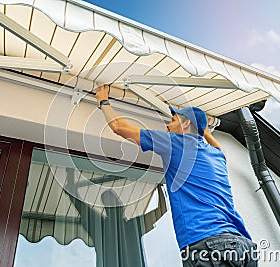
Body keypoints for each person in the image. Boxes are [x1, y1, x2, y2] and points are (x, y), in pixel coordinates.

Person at [95, 85, 258, 266]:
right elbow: (222, 150)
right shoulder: (216, 156)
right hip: (244, 247)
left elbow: (119, 127)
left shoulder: (176, 144)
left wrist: (103, 100)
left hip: (208, 244)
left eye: (173, 120)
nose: (167, 125)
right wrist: (205, 132)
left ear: (186, 123)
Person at [64, 168, 166, 267]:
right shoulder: (108, 227)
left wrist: (159, 183)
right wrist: (159, 182)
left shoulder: (128, 226)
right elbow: (161, 210)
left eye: (113, 202)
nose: (114, 206)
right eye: (110, 204)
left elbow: (161, 210)